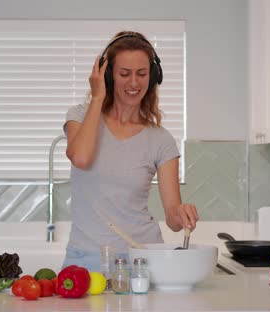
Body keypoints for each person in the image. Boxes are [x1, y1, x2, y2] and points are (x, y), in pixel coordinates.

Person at [61, 31, 199, 272]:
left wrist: (182, 214)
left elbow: (173, 219)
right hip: (85, 258)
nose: (134, 83)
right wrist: (97, 97)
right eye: (124, 74)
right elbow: (80, 157)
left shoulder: (161, 139)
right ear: (109, 76)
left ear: (153, 76)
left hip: (142, 259)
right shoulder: (80, 116)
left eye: (142, 74)